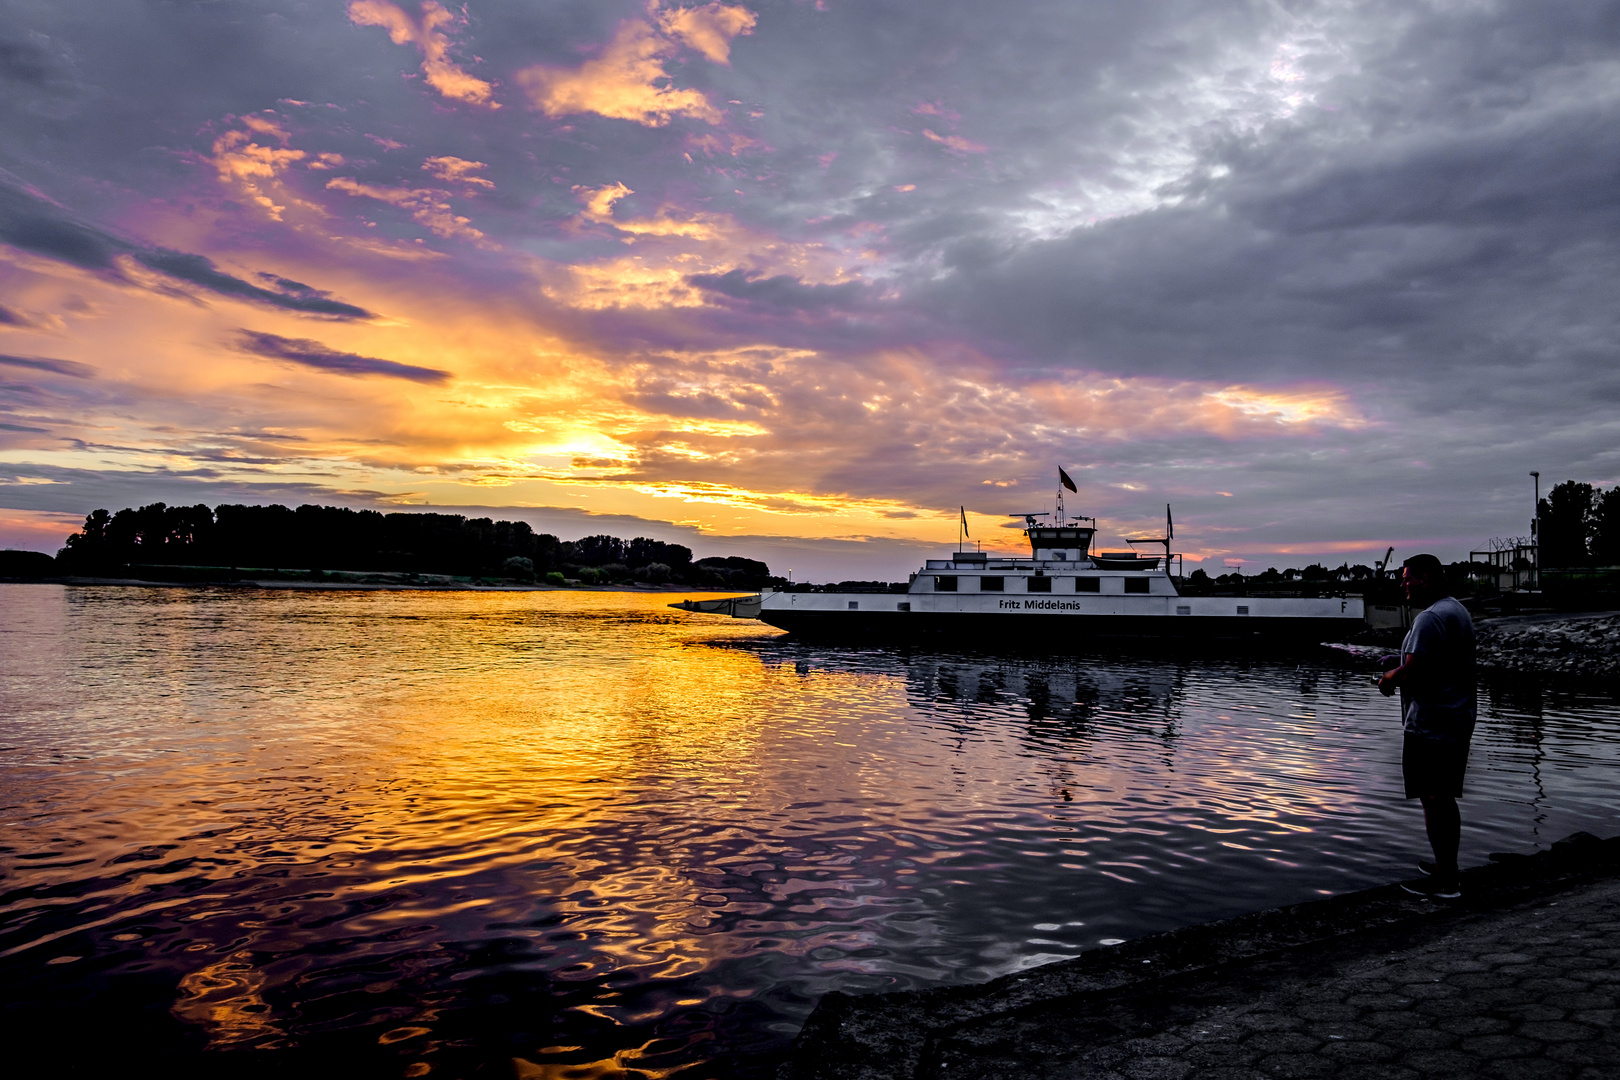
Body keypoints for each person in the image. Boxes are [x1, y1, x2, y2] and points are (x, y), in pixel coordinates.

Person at [1377, 553, 1476, 899]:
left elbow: (1412, 672)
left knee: (1434, 799)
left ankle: (1446, 880)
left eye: (1408, 578)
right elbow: (1435, 662)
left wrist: (1389, 677)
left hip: (1432, 723)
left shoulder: (1430, 618)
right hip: (1454, 718)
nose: (1403, 584)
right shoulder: (1455, 610)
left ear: (1426, 578)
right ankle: (1444, 866)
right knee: (1442, 798)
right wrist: (1400, 660)